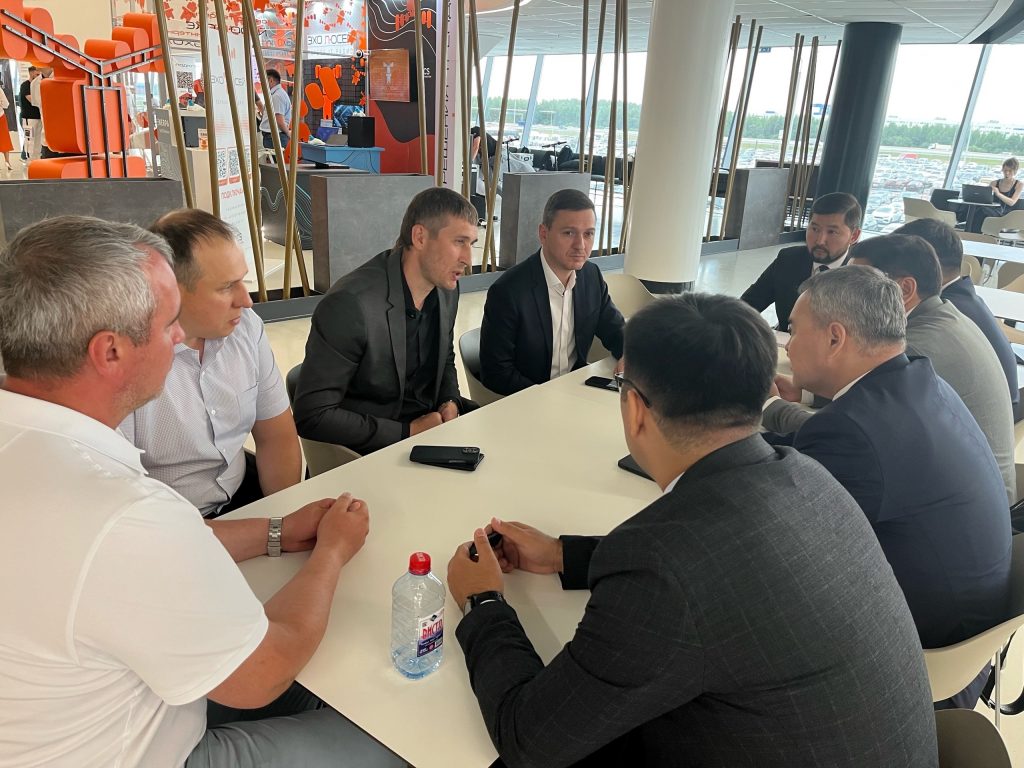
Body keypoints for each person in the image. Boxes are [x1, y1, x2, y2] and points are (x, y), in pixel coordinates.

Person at [446, 294, 938, 767]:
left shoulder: (663, 566)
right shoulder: (808, 475)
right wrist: (562, 555)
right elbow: (725, 570)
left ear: (634, 409)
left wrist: (483, 601)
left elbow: (530, 742)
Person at [0, 216, 404, 767]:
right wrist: (332, 551)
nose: (179, 339)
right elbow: (261, 673)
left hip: (99, 700)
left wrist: (279, 530)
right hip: (150, 747)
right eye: (168, 323)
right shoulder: (122, 511)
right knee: (395, 737)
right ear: (110, 352)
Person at [768, 266, 1011, 708]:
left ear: (835, 338)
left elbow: (775, 532)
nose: (788, 344)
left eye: (793, 330)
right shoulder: (918, 380)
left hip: (919, 666)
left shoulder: (854, 431)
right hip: (967, 646)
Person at [119, 209, 301, 517]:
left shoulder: (246, 327)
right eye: (226, 287)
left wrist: (284, 519)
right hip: (168, 522)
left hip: (242, 493)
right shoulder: (126, 363)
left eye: (242, 281)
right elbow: (125, 510)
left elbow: (276, 437)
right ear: (170, 289)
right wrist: (272, 534)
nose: (246, 300)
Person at [293, 187, 478, 453]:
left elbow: (444, 356)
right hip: (370, 450)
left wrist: (449, 400)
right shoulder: (350, 305)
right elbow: (312, 415)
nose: (468, 259)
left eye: (471, 244)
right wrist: (408, 432)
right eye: (459, 242)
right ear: (420, 237)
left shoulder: (446, 288)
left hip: (430, 430)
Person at [479, 189, 625, 395]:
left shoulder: (591, 276)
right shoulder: (508, 291)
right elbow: (496, 372)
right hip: (529, 398)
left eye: (588, 234)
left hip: (575, 391)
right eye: (569, 233)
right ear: (543, 234)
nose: (580, 245)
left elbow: (617, 330)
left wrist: (629, 355)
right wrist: (548, 398)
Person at [895, 217, 1021, 422]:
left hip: (983, 426)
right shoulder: (963, 300)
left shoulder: (943, 312)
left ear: (926, 263)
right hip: (1000, 415)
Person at [741, 191, 862, 331]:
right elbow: (747, 305)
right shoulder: (788, 259)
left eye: (832, 232)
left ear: (854, 236)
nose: (820, 240)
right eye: (815, 229)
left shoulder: (861, 275)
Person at [973, 156, 1024, 231]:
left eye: (1010, 171)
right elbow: (985, 199)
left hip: (1005, 213)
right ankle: (974, 232)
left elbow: (1012, 202)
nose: (1007, 173)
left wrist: (998, 193)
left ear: (1015, 171)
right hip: (992, 210)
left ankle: (974, 233)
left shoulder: (1019, 184)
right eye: (1005, 170)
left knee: (981, 212)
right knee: (978, 210)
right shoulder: (994, 183)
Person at [259, 68, 291, 150]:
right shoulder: (277, 94)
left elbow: (279, 120)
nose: (261, 84)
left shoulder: (277, 96)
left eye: (262, 81)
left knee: (275, 158)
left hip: (275, 137)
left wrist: (288, 134)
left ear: (271, 80)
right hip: (274, 136)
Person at [18, 65, 38, 161]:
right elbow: (32, 100)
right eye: (36, 74)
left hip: (38, 117)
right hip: (28, 118)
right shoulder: (25, 85)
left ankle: (36, 160)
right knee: (30, 139)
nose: (38, 76)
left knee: (37, 140)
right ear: (31, 72)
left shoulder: (38, 85)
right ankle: (28, 159)